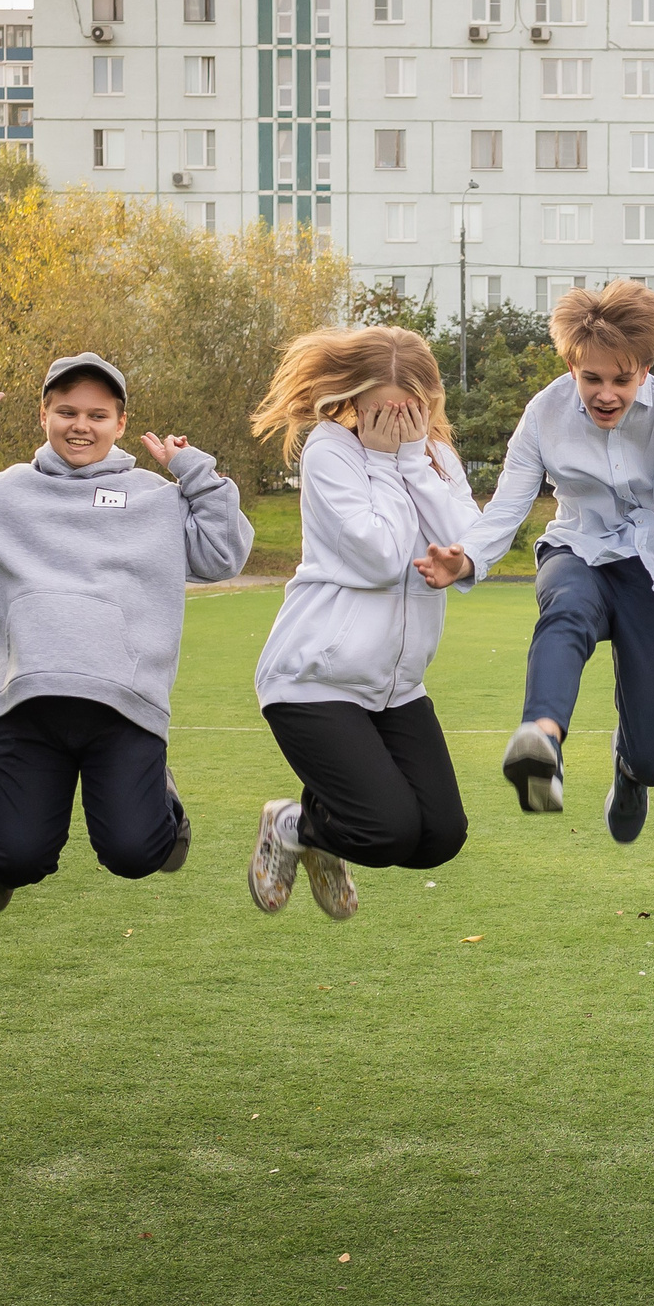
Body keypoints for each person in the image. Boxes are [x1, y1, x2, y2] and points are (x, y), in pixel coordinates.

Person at [0, 353, 254, 914]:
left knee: (135, 853)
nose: (80, 426)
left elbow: (222, 555)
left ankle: (161, 800)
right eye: (66, 411)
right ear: (43, 414)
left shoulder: (155, 499)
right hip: (28, 703)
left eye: (98, 414)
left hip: (125, 708)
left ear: (120, 424)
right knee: (18, 856)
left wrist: (194, 472)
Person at [416, 281, 654, 842]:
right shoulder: (544, 413)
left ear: (644, 368)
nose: (605, 394)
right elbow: (510, 504)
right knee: (565, 607)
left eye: (621, 379)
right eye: (590, 378)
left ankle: (628, 768)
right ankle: (541, 740)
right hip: (579, 550)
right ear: (571, 365)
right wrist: (469, 557)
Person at [245, 326, 484, 921]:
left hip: (396, 685)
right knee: (385, 830)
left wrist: (412, 461)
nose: (400, 419)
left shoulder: (437, 456)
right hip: (314, 677)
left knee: (440, 838)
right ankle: (296, 825)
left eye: (413, 408)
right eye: (384, 408)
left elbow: (470, 538)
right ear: (353, 397)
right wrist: (383, 461)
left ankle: (318, 833)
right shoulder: (330, 450)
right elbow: (380, 556)